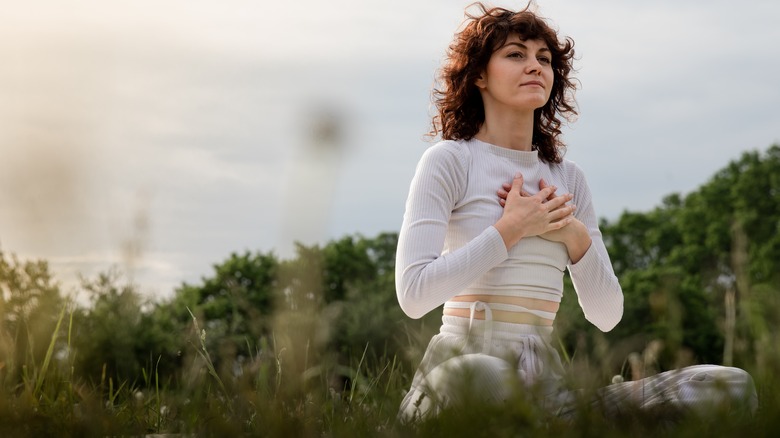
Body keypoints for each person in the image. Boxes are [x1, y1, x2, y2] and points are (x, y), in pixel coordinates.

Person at [395, 2, 757, 422]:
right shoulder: (450, 160)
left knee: (729, 383)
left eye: (544, 59)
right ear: (479, 75)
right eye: (515, 54)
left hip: (548, 390)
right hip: (461, 374)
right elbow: (414, 295)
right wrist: (510, 229)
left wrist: (575, 237)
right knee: (482, 375)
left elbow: (607, 316)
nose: (535, 66)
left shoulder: (568, 178)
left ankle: (555, 423)